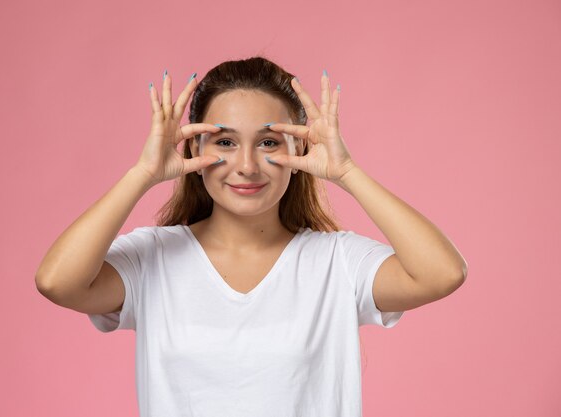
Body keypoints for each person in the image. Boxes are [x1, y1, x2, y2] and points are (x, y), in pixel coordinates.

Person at [35, 56, 468, 417]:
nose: (246, 165)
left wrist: (348, 173)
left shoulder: (337, 263)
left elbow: (442, 273)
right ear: (194, 150)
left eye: (267, 142)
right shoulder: (152, 258)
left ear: (300, 150)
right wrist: (142, 174)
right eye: (224, 142)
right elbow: (58, 281)